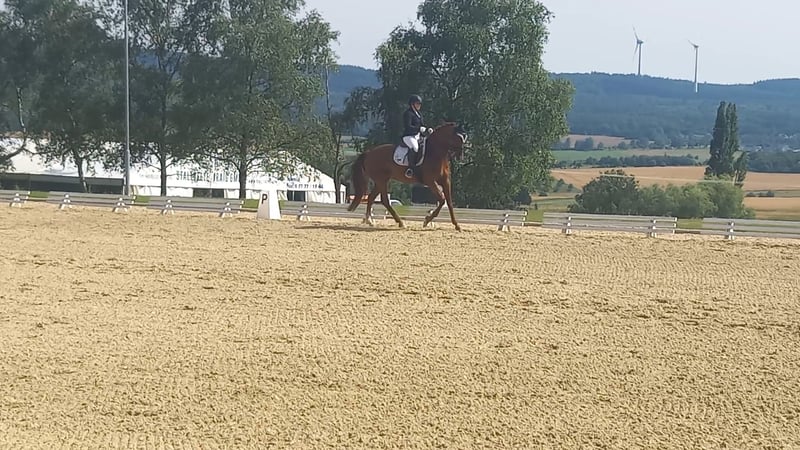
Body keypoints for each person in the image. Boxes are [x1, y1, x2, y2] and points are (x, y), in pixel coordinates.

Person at [401, 94, 431, 178]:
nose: (419, 105)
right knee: (415, 148)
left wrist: (428, 129)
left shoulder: (419, 114)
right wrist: (419, 129)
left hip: (417, 136)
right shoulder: (408, 113)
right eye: (417, 103)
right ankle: (410, 169)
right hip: (409, 136)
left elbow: (422, 125)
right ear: (412, 104)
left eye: (420, 104)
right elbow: (408, 126)